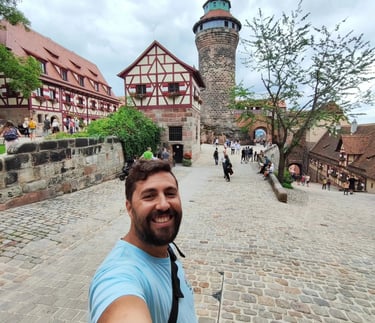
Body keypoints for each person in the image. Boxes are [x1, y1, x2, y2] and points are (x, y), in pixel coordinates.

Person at [89, 160, 198, 323]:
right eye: (149, 196)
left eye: (170, 193)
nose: (163, 204)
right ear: (130, 208)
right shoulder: (118, 276)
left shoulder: (165, 249)